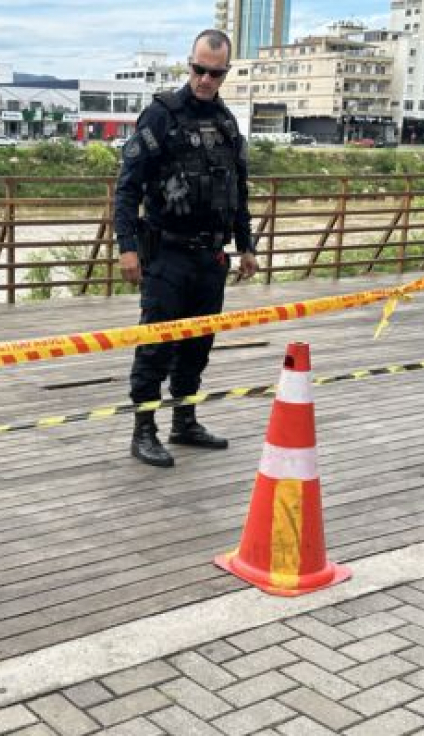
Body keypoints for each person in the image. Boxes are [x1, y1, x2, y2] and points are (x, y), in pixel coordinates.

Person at [114, 28, 258, 469]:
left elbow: (237, 190)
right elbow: (127, 188)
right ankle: (144, 431)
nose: (205, 80)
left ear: (225, 72)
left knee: (197, 344)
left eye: (215, 73)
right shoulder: (160, 117)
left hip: (210, 257)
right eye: (199, 70)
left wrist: (246, 244)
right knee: (156, 344)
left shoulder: (227, 122)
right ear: (188, 64)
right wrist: (127, 247)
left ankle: (185, 420)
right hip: (168, 255)